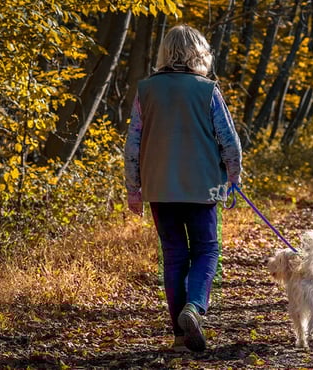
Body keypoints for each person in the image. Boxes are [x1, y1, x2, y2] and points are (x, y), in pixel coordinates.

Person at [123, 24, 242, 353]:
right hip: (204, 187)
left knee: (174, 256)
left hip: (160, 188)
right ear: (199, 54)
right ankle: (194, 307)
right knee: (207, 250)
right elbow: (229, 141)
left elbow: (133, 145)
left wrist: (134, 189)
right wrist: (234, 178)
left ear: (165, 53)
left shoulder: (146, 90)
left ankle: (179, 336)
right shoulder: (207, 90)